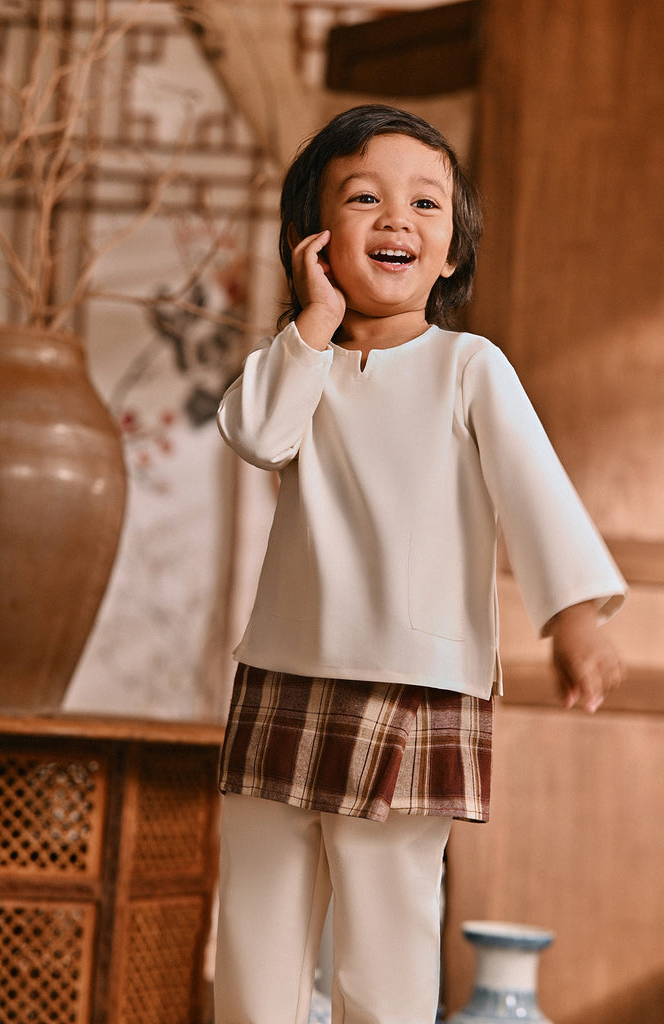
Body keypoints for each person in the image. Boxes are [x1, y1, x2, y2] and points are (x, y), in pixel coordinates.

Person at [213, 104, 626, 1024]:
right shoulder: (298, 365)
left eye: (425, 203)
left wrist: (573, 617)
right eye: (363, 197)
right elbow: (256, 436)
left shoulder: (469, 366)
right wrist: (313, 322)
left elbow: (534, 490)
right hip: (283, 669)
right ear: (312, 241)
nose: (396, 216)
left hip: (414, 684)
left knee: (386, 930)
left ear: (449, 254)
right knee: (256, 917)